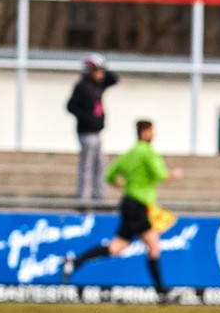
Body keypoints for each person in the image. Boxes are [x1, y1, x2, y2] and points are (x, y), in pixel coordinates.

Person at [62, 118, 181, 298]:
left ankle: (75, 262)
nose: (154, 134)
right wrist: (173, 174)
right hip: (139, 205)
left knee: (122, 247)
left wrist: (119, 183)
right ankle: (161, 291)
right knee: (148, 246)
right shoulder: (147, 153)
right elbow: (160, 174)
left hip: (129, 204)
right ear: (144, 133)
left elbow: (110, 174)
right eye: (151, 131)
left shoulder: (129, 153)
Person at [67, 52, 118, 202]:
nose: (101, 74)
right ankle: (84, 197)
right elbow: (71, 106)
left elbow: (114, 79)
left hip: (97, 132)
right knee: (88, 165)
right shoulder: (82, 87)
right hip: (86, 132)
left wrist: (104, 67)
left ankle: (98, 195)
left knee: (100, 164)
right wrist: (88, 119)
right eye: (98, 71)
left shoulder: (97, 86)